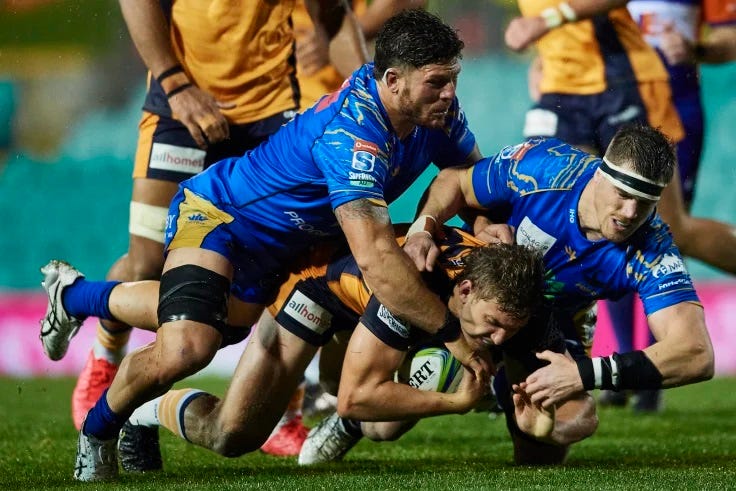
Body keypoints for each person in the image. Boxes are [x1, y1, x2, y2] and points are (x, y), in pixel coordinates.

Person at [39, 9, 496, 482]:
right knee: (188, 347)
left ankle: (75, 296)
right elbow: (378, 261)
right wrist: (452, 334)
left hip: (289, 248)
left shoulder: (434, 111)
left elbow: (473, 182)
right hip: (223, 216)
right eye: (437, 82)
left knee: (224, 362)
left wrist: (485, 225)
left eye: (453, 80)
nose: (450, 94)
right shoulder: (353, 135)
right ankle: (97, 433)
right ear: (394, 81)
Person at [44, 227, 557, 469]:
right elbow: (357, 397)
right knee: (231, 434)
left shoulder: (506, 288)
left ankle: (78, 296)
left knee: (389, 417)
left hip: (360, 292)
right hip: (312, 289)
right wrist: (456, 403)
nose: (499, 339)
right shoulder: (409, 292)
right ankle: (144, 410)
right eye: (493, 326)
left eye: (508, 331)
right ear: (464, 290)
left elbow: (461, 183)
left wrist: (536, 422)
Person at [402, 124, 714, 418]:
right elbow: (455, 180)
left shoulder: (653, 248)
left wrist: (583, 374)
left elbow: (696, 353)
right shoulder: (543, 168)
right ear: (600, 175)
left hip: (553, 319)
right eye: (623, 194)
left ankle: (502, 387)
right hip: (482, 296)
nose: (630, 213)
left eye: (645, 203)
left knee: (572, 422)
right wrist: (422, 229)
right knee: (387, 425)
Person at [600, 0, 736, 411]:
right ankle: (627, 367)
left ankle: (656, 369)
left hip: (675, 102)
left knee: (667, 231)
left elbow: (729, 38)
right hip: (605, 98)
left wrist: (697, 49)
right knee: (610, 226)